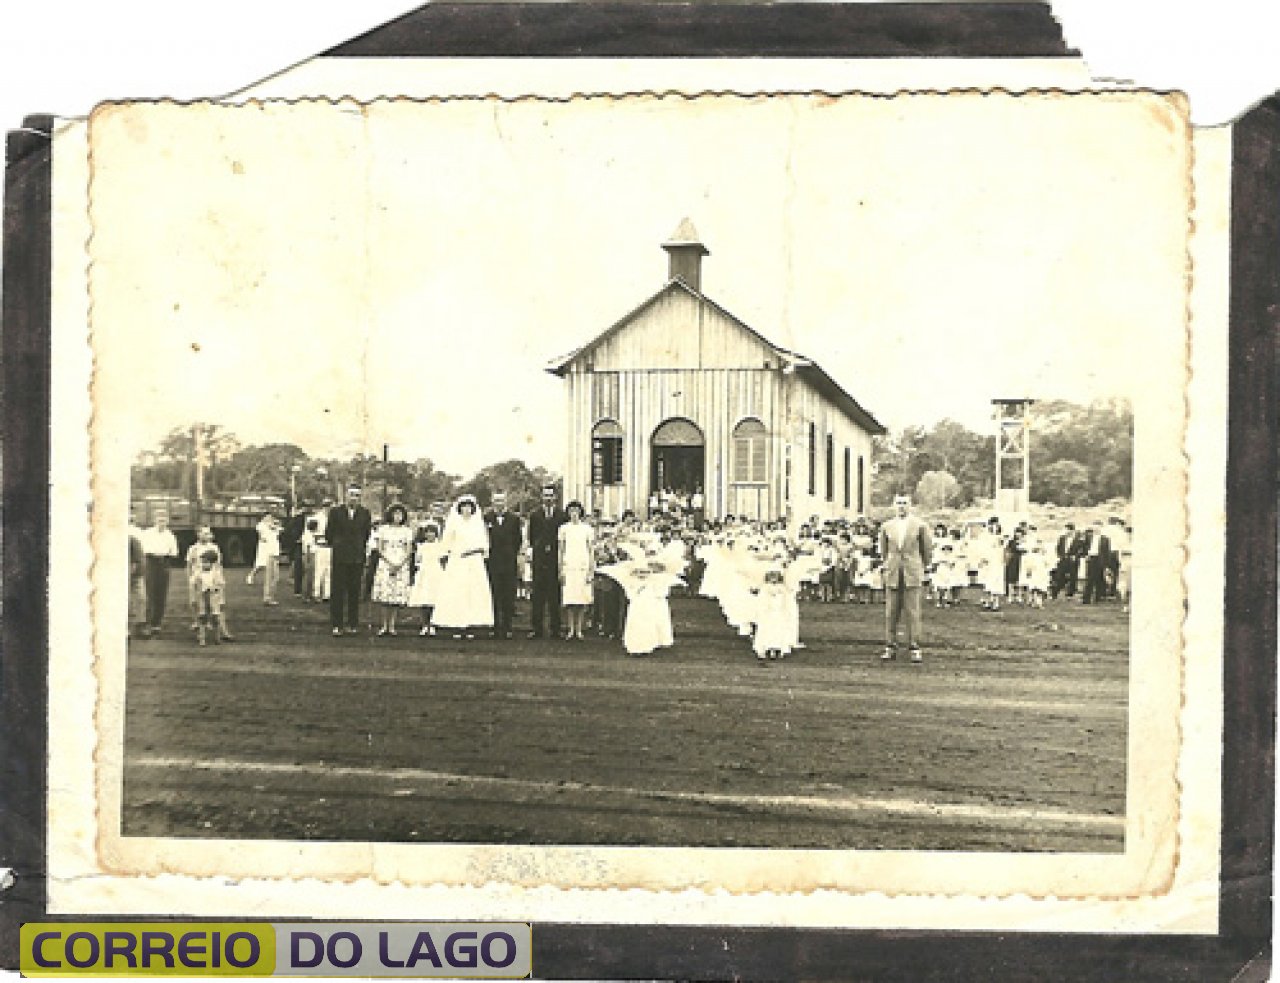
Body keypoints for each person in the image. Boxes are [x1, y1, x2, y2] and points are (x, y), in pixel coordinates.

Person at [877, 494, 933, 663]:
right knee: (891, 612)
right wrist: (888, 566)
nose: (901, 506)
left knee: (913, 612)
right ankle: (890, 646)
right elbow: (883, 551)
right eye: (899, 503)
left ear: (910, 505)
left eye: (905, 503)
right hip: (893, 571)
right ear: (894, 505)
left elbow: (927, 550)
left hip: (912, 572)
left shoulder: (920, 525)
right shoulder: (886, 526)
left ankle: (914, 647)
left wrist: (924, 568)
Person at [433, 495, 494, 640]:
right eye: (464, 506)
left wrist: (474, 551)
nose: (466, 509)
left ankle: (471, 625)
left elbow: (484, 545)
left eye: (469, 507)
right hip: (458, 561)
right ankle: (457, 625)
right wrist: (446, 555)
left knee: (473, 593)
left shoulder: (478, 524)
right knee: (458, 592)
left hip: (474, 562)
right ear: (459, 508)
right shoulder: (454, 523)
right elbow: (446, 542)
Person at [326, 487, 373, 636]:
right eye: (352, 495)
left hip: (357, 557)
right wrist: (339, 544)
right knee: (338, 591)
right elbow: (329, 533)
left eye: (357, 496)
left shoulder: (365, 513)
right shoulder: (335, 512)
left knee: (354, 591)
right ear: (346, 496)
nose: (354, 498)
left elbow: (366, 534)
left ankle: (353, 624)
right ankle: (337, 625)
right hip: (340, 556)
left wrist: (358, 547)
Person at [527, 484, 566, 639]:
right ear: (542, 497)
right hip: (539, 559)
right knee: (538, 596)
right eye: (545, 495)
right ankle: (536, 628)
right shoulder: (535, 515)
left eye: (551, 495)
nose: (548, 498)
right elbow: (532, 537)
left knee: (554, 595)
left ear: (555, 497)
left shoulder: (562, 515)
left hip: (555, 560)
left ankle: (556, 629)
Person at [371, 504, 414, 636]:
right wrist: (389, 562)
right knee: (385, 595)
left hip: (401, 563)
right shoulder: (383, 529)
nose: (397, 517)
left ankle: (392, 625)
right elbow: (379, 548)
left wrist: (400, 563)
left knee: (396, 596)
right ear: (390, 515)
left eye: (400, 514)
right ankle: (384, 625)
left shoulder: (407, 531)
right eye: (395, 514)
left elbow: (409, 549)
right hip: (386, 562)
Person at [485, 491, 523, 639]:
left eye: (501, 500)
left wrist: (513, 555)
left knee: (508, 595)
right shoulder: (486, 518)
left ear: (506, 501)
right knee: (494, 595)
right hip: (492, 562)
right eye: (496, 500)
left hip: (508, 562)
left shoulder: (514, 519)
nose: (499, 503)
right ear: (492, 501)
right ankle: (494, 626)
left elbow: (517, 540)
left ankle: (507, 627)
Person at [557, 500, 595, 641]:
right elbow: (561, 550)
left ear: (580, 512)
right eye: (571, 511)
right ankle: (570, 628)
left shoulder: (587, 529)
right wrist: (560, 568)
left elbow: (591, 550)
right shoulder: (563, 529)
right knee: (570, 601)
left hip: (582, 566)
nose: (574, 514)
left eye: (576, 511)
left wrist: (591, 569)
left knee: (581, 600)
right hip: (569, 566)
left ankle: (579, 629)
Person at [140, 512, 179, 637]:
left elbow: (174, 552)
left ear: (167, 521)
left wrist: (165, 560)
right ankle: (147, 623)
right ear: (154, 520)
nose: (161, 522)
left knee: (161, 594)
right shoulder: (147, 533)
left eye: (164, 520)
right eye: (159, 519)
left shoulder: (170, 535)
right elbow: (143, 549)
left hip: (164, 563)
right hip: (150, 562)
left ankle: (157, 623)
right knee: (149, 593)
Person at [408, 522, 445, 635]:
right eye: (428, 532)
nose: (430, 535)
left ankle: (433, 625)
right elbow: (417, 561)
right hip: (424, 573)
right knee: (424, 599)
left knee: (434, 599)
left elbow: (442, 560)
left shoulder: (440, 545)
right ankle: (424, 625)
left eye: (432, 532)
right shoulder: (421, 546)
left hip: (436, 573)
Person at [191, 549, 226, 646]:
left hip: (213, 597)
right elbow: (194, 585)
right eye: (203, 562)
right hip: (202, 597)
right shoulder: (198, 573)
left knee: (215, 617)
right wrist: (194, 598)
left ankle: (217, 637)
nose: (204, 565)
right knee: (202, 617)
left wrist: (221, 599)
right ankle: (202, 638)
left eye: (206, 562)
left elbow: (221, 586)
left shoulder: (216, 573)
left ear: (213, 563)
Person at [247, 512, 282, 605]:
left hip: (274, 553)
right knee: (269, 577)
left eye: (271, 517)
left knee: (275, 577)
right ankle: (267, 598)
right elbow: (262, 533)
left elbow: (280, 530)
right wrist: (271, 525)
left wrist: (275, 525)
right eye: (268, 517)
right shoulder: (261, 526)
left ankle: (270, 597)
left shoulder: (274, 527)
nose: (270, 518)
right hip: (268, 554)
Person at [1080, 519, 1112, 605]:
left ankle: (1098, 598)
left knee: (1099, 578)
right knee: (1089, 578)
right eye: (1095, 527)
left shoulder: (1105, 539)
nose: (1096, 529)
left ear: (1101, 528)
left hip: (1100, 559)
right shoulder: (1088, 537)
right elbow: (1083, 547)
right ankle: (1086, 598)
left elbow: (1107, 552)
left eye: (1098, 527)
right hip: (1091, 558)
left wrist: (1107, 565)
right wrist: (1085, 555)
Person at [1052, 523, 1079, 599]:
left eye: (1068, 530)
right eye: (1065, 530)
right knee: (1059, 576)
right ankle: (1055, 592)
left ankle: (1070, 593)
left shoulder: (1078, 539)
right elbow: (1058, 548)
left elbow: (1082, 550)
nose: (1066, 532)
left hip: (1073, 560)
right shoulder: (1062, 538)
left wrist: (1075, 556)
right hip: (1063, 559)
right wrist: (1060, 556)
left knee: (1073, 576)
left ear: (1072, 531)